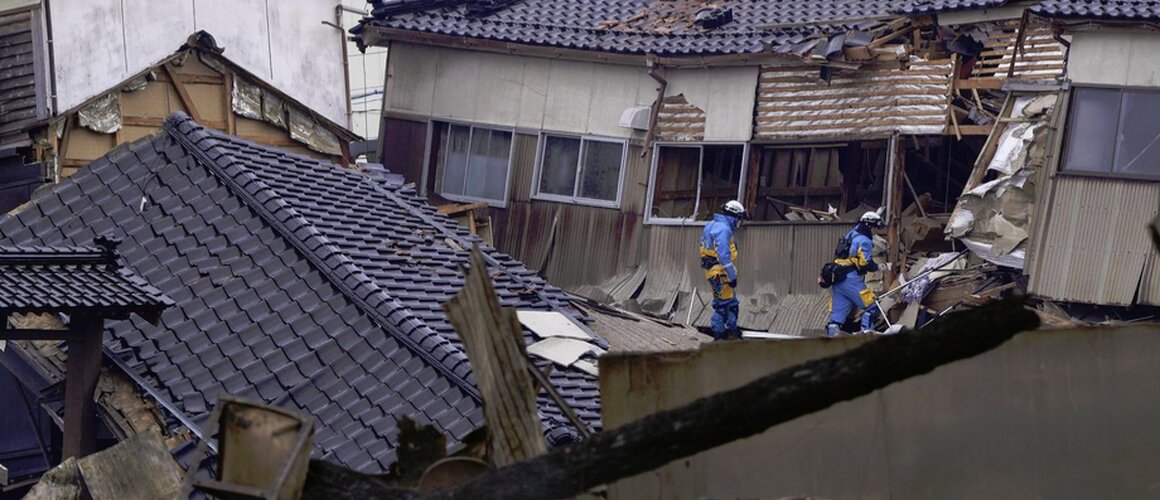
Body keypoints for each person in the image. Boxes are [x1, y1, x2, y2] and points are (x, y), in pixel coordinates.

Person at [827, 211, 885, 337]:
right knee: (872, 307)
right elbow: (865, 263)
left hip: (838, 278)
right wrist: (878, 267)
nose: (876, 231)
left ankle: (831, 342)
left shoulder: (851, 234)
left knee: (836, 318)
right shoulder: (865, 241)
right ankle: (866, 336)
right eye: (875, 228)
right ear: (870, 226)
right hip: (851, 280)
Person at [699, 200, 748, 340]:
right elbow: (724, 256)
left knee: (730, 303)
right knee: (723, 306)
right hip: (720, 273)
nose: (739, 222)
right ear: (734, 216)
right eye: (739, 218)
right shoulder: (724, 229)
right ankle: (720, 337)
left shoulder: (711, 225)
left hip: (714, 271)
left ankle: (731, 333)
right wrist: (732, 277)